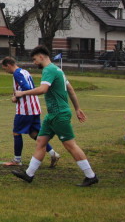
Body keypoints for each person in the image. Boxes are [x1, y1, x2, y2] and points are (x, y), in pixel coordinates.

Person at [12, 45, 98, 186]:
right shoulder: (58, 70)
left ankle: (91, 176)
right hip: (52, 115)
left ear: (41, 57)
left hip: (59, 114)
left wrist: (22, 93)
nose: (34, 63)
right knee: (40, 142)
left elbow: (43, 89)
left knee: (70, 145)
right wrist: (77, 108)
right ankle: (29, 174)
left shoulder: (49, 70)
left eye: (34, 59)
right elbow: (70, 89)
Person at [1, 57, 60, 167]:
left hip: (26, 109)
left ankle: (17, 160)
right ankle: (53, 154)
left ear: (9, 65)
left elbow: (26, 88)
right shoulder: (25, 71)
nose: (5, 71)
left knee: (16, 132)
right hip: (35, 107)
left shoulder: (17, 74)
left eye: (5, 68)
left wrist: (16, 97)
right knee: (34, 134)